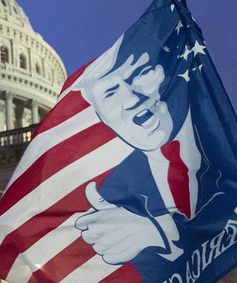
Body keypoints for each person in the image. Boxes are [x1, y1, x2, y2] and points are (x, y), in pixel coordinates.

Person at [68, 30, 223, 266]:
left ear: (164, 73)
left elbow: (233, 208)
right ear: (101, 116)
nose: (131, 98)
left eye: (140, 74)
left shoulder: (218, 143)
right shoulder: (111, 191)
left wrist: (159, 232)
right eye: (110, 92)